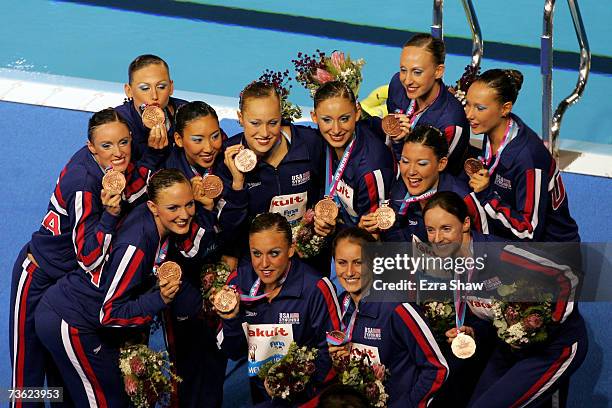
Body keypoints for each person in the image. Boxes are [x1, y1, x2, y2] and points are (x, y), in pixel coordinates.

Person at [9, 108, 165, 403]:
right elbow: (90, 258)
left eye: (123, 142)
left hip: (66, 282)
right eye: (107, 146)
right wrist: (109, 216)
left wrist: (153, 159)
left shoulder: (108, 167)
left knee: (62, 372)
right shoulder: (84, 185)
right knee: (26, 372)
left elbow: (129, 192)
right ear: (90, 146)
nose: (118, 152)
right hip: (38, 275)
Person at [35, 169, 213, 407]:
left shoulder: (153, 223)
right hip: (70, 322)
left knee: (100, 396)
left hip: (83, 317)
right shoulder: (136, 246)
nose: (184, 214)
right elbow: (109, 314)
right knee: (104, 402)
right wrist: (159, 299)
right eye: (173, 208)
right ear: (152, 207)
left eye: (189, 204)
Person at [422, 191, 587, 407]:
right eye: (430, 230)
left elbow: (567, 275)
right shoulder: (452, 264)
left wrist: (547, 322)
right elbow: (486, 313)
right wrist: (473, 332)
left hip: (555, 347)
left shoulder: (502, 254)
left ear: (465, 224)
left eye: (445, 228)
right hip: (510, 347)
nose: (436, 238)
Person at [164, 101, 248, 407]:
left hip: (221, 265)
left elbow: (237, 222)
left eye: (214, 136)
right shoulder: (170, 176)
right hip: (183, 276)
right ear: (178, 139)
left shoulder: (228, 161)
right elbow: (180, 245)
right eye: (197, 139)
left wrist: (236, 185)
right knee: (185, 362)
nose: (208, 147)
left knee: (217, 353)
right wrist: (204, 211)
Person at [216, 213, 341, 404]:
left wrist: (294, 386)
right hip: (261, 394)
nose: (264, 264)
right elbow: (232, 352)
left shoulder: (316, 288)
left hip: (307, 397)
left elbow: (332, 353)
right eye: (256, 253)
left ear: (291, 249)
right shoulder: (237, 283)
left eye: (274, 253)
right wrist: (231, 320)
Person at [328, 227, 449, 407]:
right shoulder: (340, 305)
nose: (350, 272)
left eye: (358, 262)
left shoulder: (397, 307)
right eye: (342, 262)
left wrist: (407, 404)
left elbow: (438, 369)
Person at [464, 68, 579, 242]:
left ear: (505, 108)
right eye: (468, 104)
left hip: (552, 254)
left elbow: (529, 231)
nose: (469, 114)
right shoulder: (494, 130)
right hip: (509, 233)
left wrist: (487, 194)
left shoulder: (528, 159)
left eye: (479, 108)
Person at [364, 125, 482, 243]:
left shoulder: (464, 198)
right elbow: (395, 236)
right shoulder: (400, 191)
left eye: (422, 163)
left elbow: (485, 247)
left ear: (441, 163)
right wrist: (372, 235)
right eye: (405, 161)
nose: (411, 172)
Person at [311, 81, 394, 236]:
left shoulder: (370, 169)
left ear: (357, 113)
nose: (336, 130)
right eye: (327, 120)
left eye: (344, 119)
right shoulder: (320, 140)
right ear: (314, 117)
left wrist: (337, 230)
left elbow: (374, 237)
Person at [384, 33, 469, 175]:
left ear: (438, 71)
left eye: (417, 72)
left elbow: (432, 176)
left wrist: (401, 143)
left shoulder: (451, 123)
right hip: (392, 166)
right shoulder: (397, 85)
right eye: (403, 70)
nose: (407, 80)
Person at [116, 54, 187, 161]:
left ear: (171, 88)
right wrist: (153, 154)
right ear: (129, 91)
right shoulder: (116, 123)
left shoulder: (186, 113)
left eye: (161, 87)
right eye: (145, 88)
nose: (154, 96)